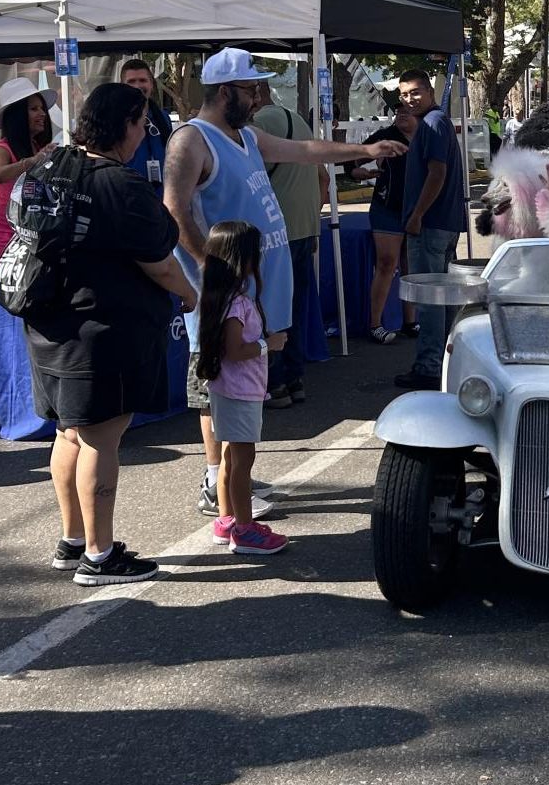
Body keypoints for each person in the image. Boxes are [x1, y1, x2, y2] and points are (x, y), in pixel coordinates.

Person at [163, 47, 406, 507]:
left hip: (251, 293)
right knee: (220, 390)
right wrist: (208, 268)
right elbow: (174, 209)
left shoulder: (245, 136)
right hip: (222, 298)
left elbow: (304, 150)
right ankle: (218, 484)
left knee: (244, 393)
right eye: (251, 89)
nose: (258, 97)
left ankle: (233, 477)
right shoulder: (191, 140)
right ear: (224, 91)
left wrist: (365, 148)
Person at [23, 82, 198, 586]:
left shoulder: (47, 167)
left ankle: (73, 540)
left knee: (69, 432)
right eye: (142, 124)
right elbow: (160, 260)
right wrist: (189, 295)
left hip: (47, 322)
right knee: (102, 438)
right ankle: (99, 558)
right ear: (124, 126)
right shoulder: (118, 185)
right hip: (100, 330)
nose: (145, 132)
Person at [193, 220, 287, 556]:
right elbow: (235, 350)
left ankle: (226, 520)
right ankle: (245, 530)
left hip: (228, 389)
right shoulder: (237, 304)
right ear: (241, 259)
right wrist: (268, 344)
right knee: (242, 458)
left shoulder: (221, 298)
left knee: (231, 456)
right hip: (240, 390)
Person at [250, 86, 326, 412]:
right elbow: (322, 176)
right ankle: (294, 380)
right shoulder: (298, 120)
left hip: (277, 235)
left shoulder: (257, 128)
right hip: (305, 227)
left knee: (271, 311)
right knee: (294, 308)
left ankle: (276, 382)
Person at [396, 66, 466, 392]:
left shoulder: (434, 123)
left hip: (431, 225)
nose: (409, 99)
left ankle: (429, 366)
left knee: (431, 299)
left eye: (415, 92)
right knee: (446, 298)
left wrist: (417, 214)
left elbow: (437, 173)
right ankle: (451, 361)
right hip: (443, 224)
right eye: (404, 94)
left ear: (429, 91)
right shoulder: (434, 123)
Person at [0, 77, 58, 275]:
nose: (42, 114)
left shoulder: (38, 147)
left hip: (28, 232)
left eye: (42, 108)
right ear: (17, 116)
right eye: (34, 109)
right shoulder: (1, 149)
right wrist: (32, 161)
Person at [364, 97, 420, 345]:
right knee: (387, 263)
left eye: (407, 109)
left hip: (417, 209)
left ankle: (411, 321)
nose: (401, 113)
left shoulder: (428, 134)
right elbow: (354, 161)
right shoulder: (386, 135)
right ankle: (375, 324)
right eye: (397, 109)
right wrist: (359, 172)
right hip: (387, 208)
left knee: (411, 266)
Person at [118, 58, 173, 193]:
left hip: (161, 198)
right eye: (131, 81)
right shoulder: (114, 119)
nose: (137, 86)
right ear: (122, 86)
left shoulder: (163, 118)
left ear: (152, 84)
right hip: (128, 196)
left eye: (142, 80)